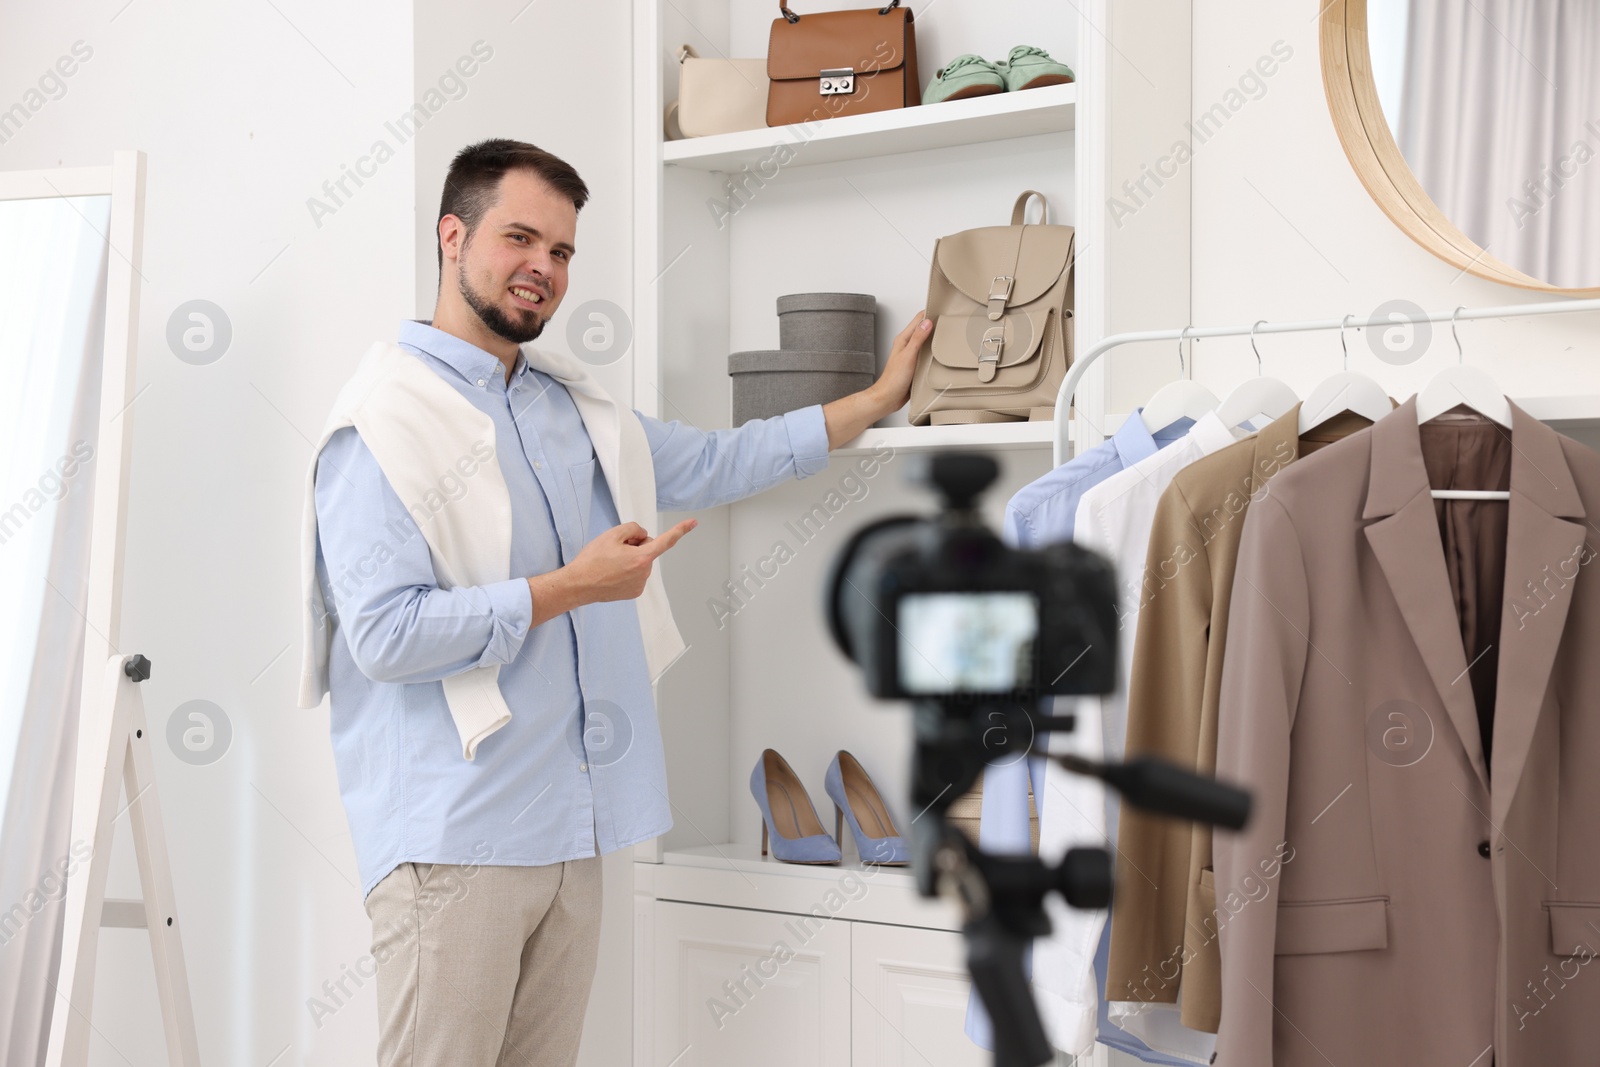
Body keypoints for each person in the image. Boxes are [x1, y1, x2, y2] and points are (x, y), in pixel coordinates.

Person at [308, 137, 932, 1066]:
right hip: (453, 844)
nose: (543, 269)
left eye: (561, 252)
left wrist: (876, 399)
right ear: (452, 235)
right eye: (520, 238)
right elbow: (384, 637)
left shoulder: (573, 410)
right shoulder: (381, 426)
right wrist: (571, 589)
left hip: (573, 829)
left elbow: (720, 461)